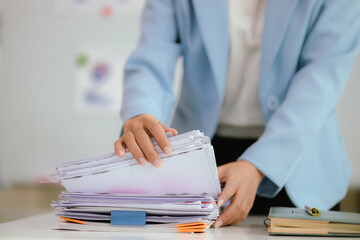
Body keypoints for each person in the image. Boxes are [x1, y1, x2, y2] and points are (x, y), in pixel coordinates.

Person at [114, 0, 360, 228]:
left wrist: (258, 165)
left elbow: (320, 82)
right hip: (202, 154)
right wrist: (140, 111)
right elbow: (152, 55)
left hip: (299, 162)